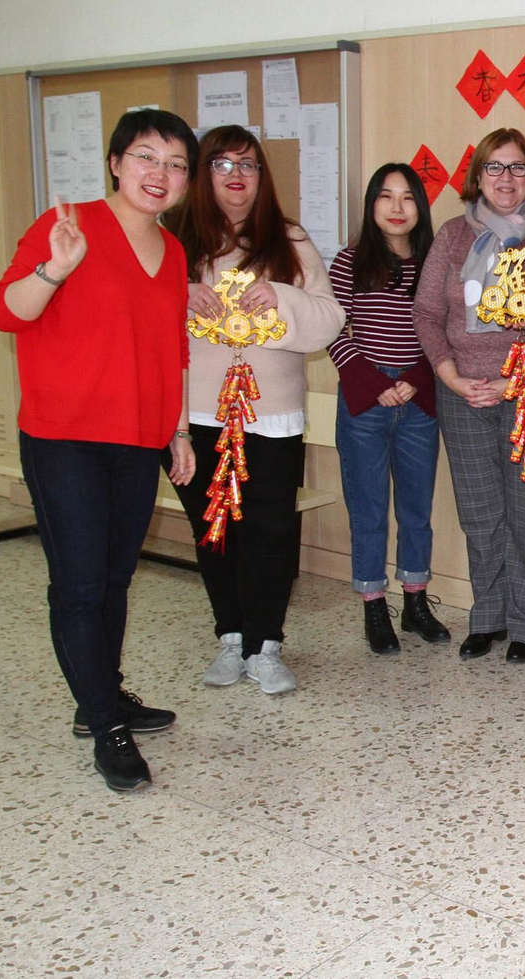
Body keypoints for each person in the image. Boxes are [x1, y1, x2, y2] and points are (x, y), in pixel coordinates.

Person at [0, 109, 198, 791]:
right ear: (114, 162)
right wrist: (54, 267)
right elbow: (5, 310)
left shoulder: (171, 252)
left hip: (137, 439)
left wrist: (177, 430)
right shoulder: (69, 227)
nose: (158, 175)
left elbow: (170, 346)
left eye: (174, 164)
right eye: (145, 157)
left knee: (113, 579)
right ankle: (104, 721)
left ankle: (102, 696)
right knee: (79, 585)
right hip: (64, 437)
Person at [170, 125, 343, 696]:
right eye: (221, 165)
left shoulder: (287, 239)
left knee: (269, 529)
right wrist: (175, 296)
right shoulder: (176, 241)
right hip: (197, 417)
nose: (236, 177)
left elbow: (329, 317)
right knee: (214, 531)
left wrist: (283, 298)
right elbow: (138, 326)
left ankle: (265, 645)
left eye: (248, 165)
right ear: (204, 175)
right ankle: (230, 636)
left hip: (271, 415)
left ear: (262, 176)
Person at [415, 128, 525, 664]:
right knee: (480, 511)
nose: (506, 179)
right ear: (477, 176)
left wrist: (517, 381)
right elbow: (427, 314)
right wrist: (451, 375)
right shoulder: (451, 235)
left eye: (517, 168)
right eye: (495, 168)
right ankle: (487, 617)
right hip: (462, 392)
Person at [328, 163, 450, 655]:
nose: (397, 208)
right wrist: (376, 385)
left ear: (421, 206)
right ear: (371, 205)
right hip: (366, 406)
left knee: (417, 510)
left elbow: (443, 332)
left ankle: (416, 600)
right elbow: (333, 332)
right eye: (386, 197)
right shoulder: (348, 262)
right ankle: (374, 605)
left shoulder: (434, 263)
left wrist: (411, 382)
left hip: (418, 403)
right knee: (369, 510)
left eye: (407, 198)